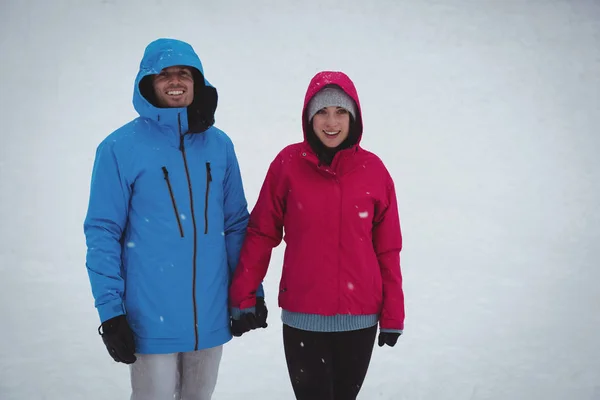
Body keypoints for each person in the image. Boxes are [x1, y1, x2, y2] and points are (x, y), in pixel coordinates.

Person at [83, 38, 265, 400]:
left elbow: (236, 225)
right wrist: (111, 312)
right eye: (164, 74)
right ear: (148, 83)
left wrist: (248, 293)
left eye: (184, 73)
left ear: (198, 83)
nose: (175, 81)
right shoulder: (119, 148)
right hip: (150, 318)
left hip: (210, 316)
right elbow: (103, 232)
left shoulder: (220, 145)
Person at [228, 71, 405, 400]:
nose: (331, 122)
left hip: (360, 319)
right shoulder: (287, 165)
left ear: (354, 117)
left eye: (340, 112)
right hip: (303, 319)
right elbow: (261, 233)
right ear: (309, 117)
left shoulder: (374, 171)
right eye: (322, 112)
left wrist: (393, 312)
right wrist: (243, 295)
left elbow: (388, 249)